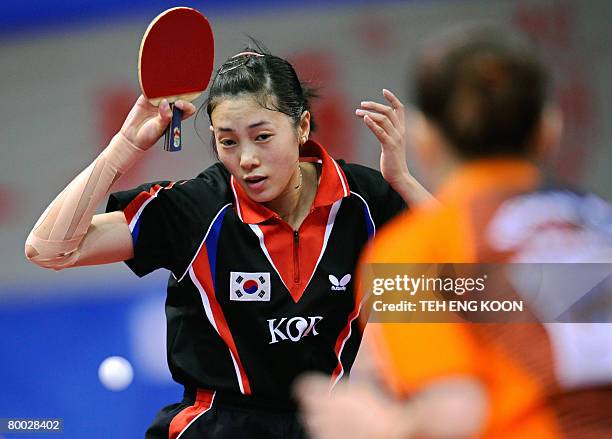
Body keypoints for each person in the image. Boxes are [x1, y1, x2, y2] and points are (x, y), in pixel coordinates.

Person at [24, 44, 432, 438]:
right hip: (216, 425)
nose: (247, 158)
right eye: (228, 141)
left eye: (262, 136)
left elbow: (474, 283)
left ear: (302, 126)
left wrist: (404, 182)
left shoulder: (364, 200)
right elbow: (47, 249)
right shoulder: (197, 209)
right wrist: (126, 144)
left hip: (328, 424)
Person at [295, 26, 612, 438]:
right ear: (549, 131)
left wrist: (378, 426)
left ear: (425, 139)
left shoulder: (414, 251)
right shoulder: (599, 225)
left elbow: (454, 414)